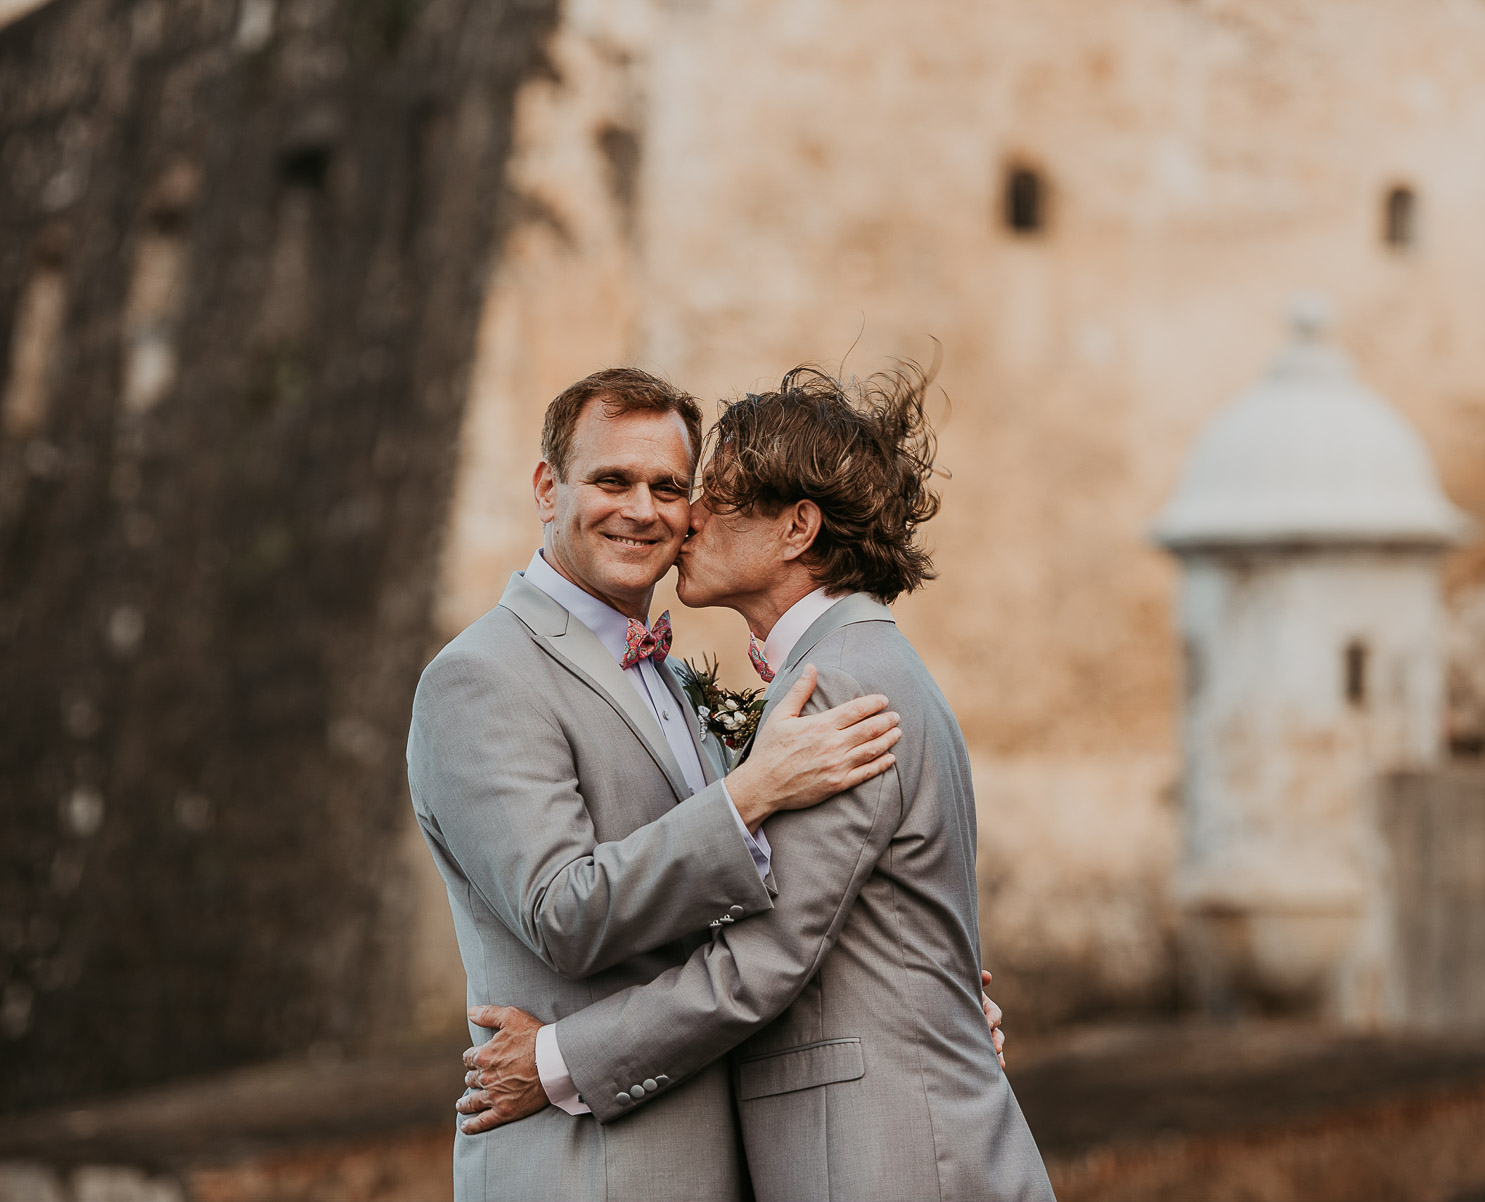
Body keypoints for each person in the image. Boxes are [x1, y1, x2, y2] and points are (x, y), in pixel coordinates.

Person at [458, 364, 1056, 1202]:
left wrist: (553, 1061)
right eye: (619, 480)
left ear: (796, 528)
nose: (681, 517)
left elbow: (766, 959)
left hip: (889, 1160)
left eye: (705, 492)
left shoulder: (840, 687)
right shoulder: (833, 673)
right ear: (547, 490)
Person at [406, 367, 907, 1202]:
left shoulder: (670, 674)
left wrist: (913, 996)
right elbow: (564, 914)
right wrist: (749, 793)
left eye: (669, 487)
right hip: (588, 1167)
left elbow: (753, 906)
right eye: (612, 480)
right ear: (546, 487)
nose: (642, 509)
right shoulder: (480, 679)